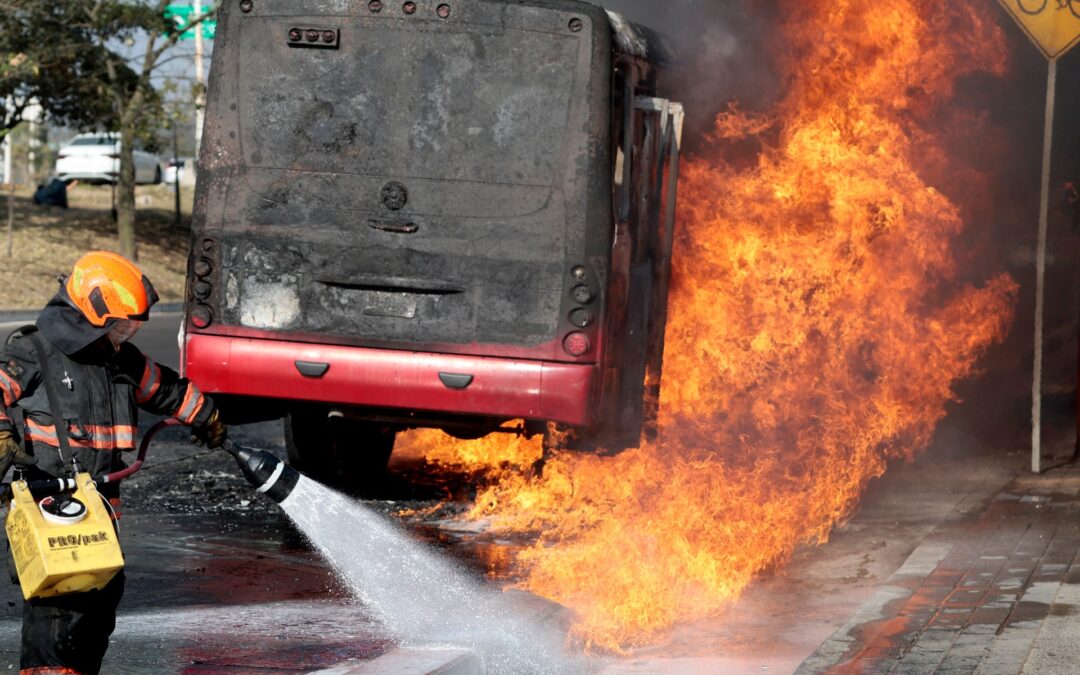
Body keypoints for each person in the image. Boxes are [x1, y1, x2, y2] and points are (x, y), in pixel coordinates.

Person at [0, 251, 227, 674]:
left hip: (100, 519)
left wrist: (206, 415)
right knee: (55, 624)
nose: (129, 332)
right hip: (50, 514)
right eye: (123, 323)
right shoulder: (33, 351)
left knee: (96, 616)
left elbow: (167, 390)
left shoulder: (118, 359)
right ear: (92, 312)